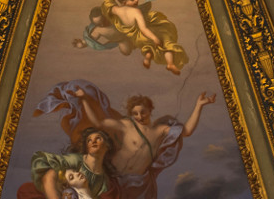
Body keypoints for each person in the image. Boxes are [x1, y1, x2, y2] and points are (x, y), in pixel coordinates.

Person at [63, 85, 215, 199]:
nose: (139, 116)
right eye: (135, 113)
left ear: (150, 110)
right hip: (114, 178)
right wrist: (84, 99)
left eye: (143, 112)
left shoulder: (159, 131)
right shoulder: (127, 125)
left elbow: (186, 131)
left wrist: (199, 106)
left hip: (139, 184)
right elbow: (99, 123)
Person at [100, 0, 188, 74]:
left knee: (148, 46)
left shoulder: (117, 10)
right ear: (124, 2)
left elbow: (108, 6)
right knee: (165, 39)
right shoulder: (136, 12)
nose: (137, 0)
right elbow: (143, 29)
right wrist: (155, 38)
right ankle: (170, 63)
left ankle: (148, 56)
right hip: (145, 34)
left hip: (136, 39)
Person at [19, 127, 115, 199]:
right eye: (89, 140)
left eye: (98, 138)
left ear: (107, 145)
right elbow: (49, 176)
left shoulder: (104, 180)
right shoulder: (76, 160)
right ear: (86, 147)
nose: (93, 141)